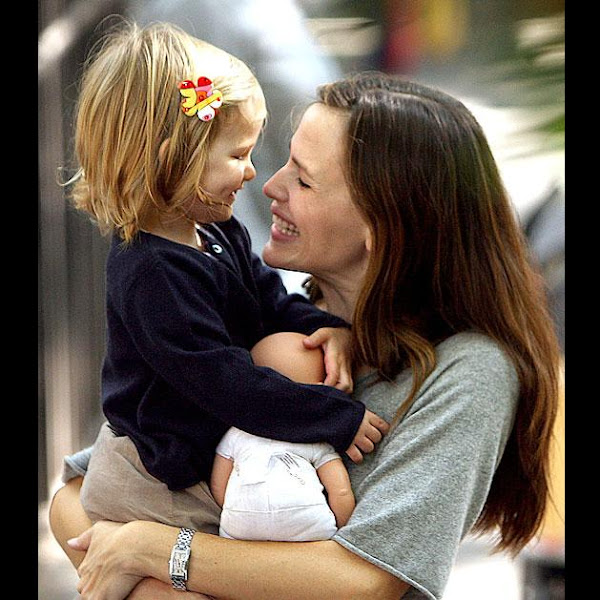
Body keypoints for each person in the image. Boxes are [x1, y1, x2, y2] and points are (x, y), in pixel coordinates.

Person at [51, 72, 561, 600]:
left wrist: (150, 551)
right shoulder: (279, 321)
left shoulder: (468, 371)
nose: (268, 186)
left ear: (382, 227)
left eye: (303, 179)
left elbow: (366, 577)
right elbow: (78, 490)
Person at [64, 20, 387, 536]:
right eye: (238, 156)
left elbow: (270, 304)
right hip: (160, 477)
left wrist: (331, 331)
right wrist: (331, 417)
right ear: (174, 160)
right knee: (217, 573)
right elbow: (226, 384)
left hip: (205, 451)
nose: (253, 173)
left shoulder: (218, 232)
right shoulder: (152, 274)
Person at [212, 332, 355, 541]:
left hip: (242, 522)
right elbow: (340, 491)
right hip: (308, 520)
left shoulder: (236, 433)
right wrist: (344, 527)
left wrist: (236, 508)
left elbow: (219, 484)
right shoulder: (315, 437)